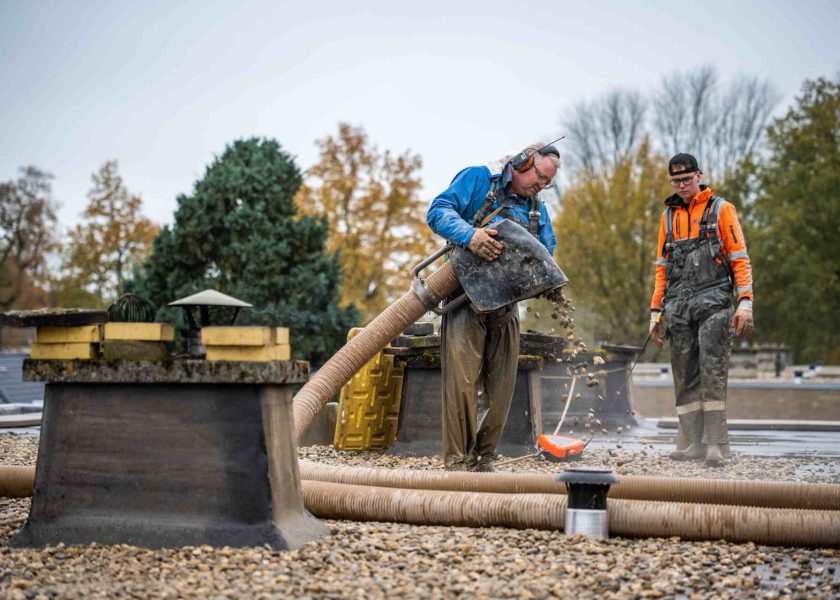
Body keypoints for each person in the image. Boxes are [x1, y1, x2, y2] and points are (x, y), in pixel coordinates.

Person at [426, 143, 559, 472]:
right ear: (521, 163)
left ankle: (483, 459)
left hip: (505, 302)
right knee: (462, 385)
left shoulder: (535, 211)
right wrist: (470, 236)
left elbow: (546, 251)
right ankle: (457, 463)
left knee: (501, 390)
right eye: (539, 177)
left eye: (547, 183)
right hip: (463, 297)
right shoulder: (478, 180)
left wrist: (549, 282)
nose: (540, 186)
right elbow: (438, 211)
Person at [649, 153, 754, 467]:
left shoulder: (721, 209)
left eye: (686, 179)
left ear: (699, 175)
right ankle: (694, 442)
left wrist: (745, 303)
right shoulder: (668, 217)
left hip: (715, 305)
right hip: (679, 308)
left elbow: (740, 259)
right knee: (684, 375)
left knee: (712, 372)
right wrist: (656, 312)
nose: (681, 185)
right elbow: (661, 269)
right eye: (676, 181)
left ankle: (716, 445)